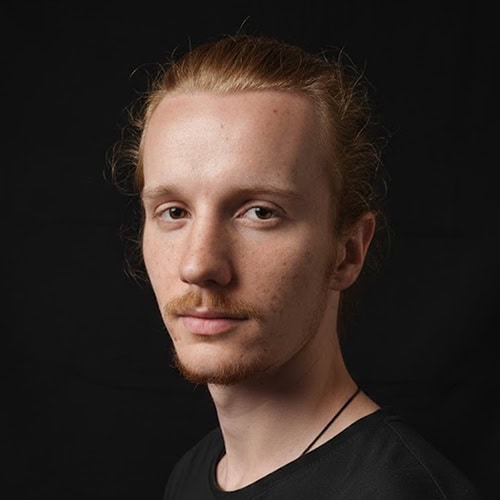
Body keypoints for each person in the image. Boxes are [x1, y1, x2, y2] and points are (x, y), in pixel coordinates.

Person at [110, 33, 480, 499]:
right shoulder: (192, 474)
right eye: (174, 212)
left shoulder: (400, 491)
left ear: (347, 252)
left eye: (260, 212)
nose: (199, 264)